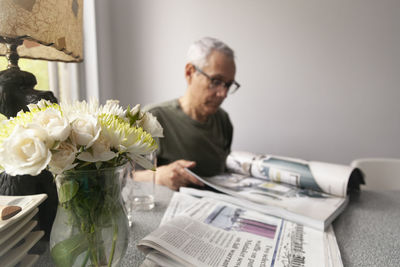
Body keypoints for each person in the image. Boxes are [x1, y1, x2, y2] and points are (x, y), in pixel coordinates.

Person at [136, 37, 240, 191]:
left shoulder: (223, 120)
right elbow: (125, 176)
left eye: (228, 85)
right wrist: (158, 176)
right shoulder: (152, 118)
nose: (223, 93)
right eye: (216, 81)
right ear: (190, 73)